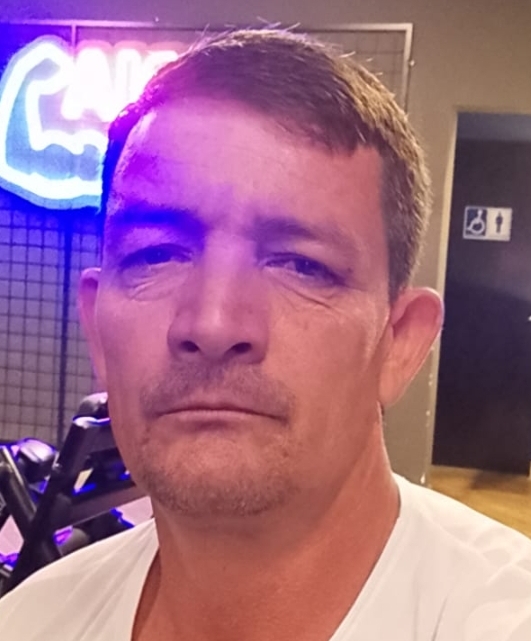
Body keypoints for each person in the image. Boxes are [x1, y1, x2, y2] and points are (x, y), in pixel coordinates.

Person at [0, 27, 530, 641]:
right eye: (156, 254)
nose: (213, 323)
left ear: (400, 343)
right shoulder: (30, 620)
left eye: (302, 265)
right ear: (97, 327)